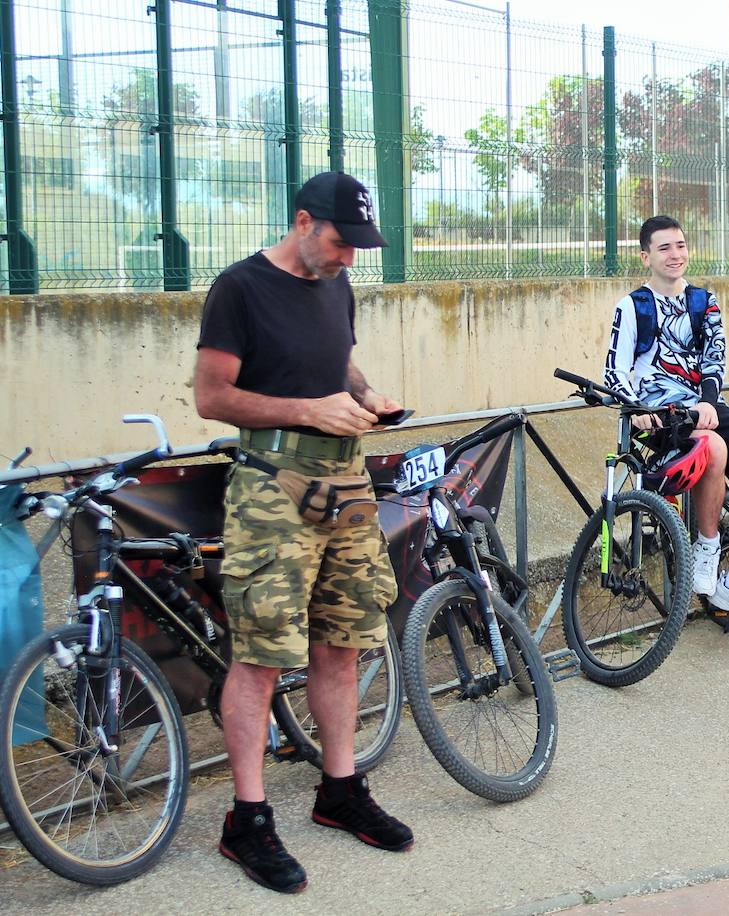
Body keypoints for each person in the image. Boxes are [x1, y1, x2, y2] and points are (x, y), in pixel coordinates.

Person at [194, 171, 413, 894]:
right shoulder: (239, 288)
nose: (348, 257)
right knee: (260, 654)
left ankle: (339, 790)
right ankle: (247, 820)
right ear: (301, 221)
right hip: (272, 487)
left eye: (357, 246)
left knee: (344, 641)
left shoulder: (337, 284)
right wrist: (308, 412)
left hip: (346, 481)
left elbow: (336, 361)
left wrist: (363, 395)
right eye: (339, 241)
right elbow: (212, 397)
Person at [604, 215, 729, 627]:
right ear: (645, 255)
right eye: (664, 247)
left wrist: (707, 401)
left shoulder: (705, 301)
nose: (675, 255)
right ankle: (707, 546)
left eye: (681, 246)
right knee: (713, 446)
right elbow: (614, 370)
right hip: (658, 412)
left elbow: (714, 360)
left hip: (703, 404)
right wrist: (636, 408)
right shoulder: (633, 306)